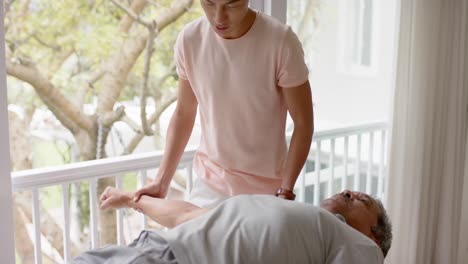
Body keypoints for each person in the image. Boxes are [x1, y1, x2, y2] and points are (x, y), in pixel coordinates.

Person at [133, 0, 314, 207]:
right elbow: (184, 112)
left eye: (231, 5)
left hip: (266, 192)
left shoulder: (280, 41)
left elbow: (303, 124)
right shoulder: (190, 39)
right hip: (209, 185)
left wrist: (286, 192)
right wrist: (161, 182)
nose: (218, 17)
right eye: (209, 3)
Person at [71, 188, 392, 264]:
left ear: (373, 237)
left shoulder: (362, 248)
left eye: (361, 200)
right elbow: (187, 214)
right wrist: (132, 199)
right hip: (154, 247)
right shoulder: (301, 218)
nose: (348, 193)